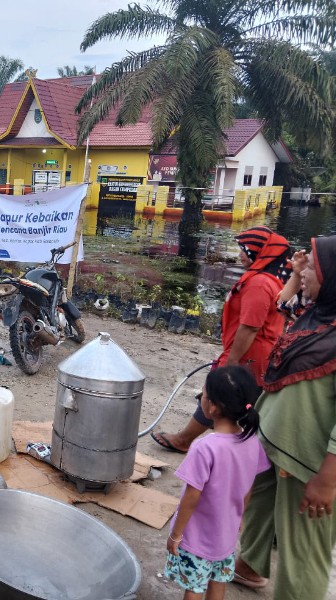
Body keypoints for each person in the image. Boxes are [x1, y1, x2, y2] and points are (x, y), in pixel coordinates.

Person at [234, 235, 336, 599]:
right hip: (275, 439)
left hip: (307, 457)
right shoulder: (317, 314)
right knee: (260, 504)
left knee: (303, 544)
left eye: (314, 266)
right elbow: (280, 305)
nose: (304, 270)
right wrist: (295, 274)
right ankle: (250, 564)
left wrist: (328, 479)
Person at [152, 226, 290, 453]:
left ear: (259, 251)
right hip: (253, 355)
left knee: (219, 396)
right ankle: (196, 441)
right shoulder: (267, 279)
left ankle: (189, 441)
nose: (240, 255)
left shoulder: (259, 284)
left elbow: (250, 327)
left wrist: (231, 362)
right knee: (231, 399)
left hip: (248, 355)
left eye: (245, 250)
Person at [164, 366, 270, 600]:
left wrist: (176, 534)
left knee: (194, 588)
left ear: (212, 406)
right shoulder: (251, 441)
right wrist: (240, 517)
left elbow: (192, 496)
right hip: (226, 534)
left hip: (197, 536)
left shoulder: (205, 448)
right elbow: (248, 485)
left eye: (203, 394)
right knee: (218, 581)